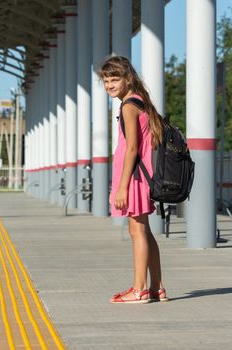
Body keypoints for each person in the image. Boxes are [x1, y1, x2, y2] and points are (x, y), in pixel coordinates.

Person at [98, 55, 168, 304]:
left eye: (114, 78)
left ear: (128, 78)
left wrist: (122, 187)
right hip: (141, 177)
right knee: (145, 232)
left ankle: (139, 289)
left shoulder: (128, 106)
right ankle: (156, 288)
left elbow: (132, 149)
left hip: (135, 178)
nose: (109, 85)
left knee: (136, 231)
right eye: (106, 80)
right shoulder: (140, 101)